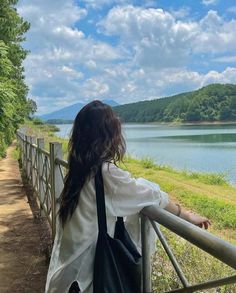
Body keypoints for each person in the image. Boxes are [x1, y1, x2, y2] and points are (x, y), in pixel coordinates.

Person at [45, 100, 211, 293]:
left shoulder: (78, 168)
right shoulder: (105, 173)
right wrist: (188, 216)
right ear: (109, 134)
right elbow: (151, 195)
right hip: (87, 277)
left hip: (66, 273)